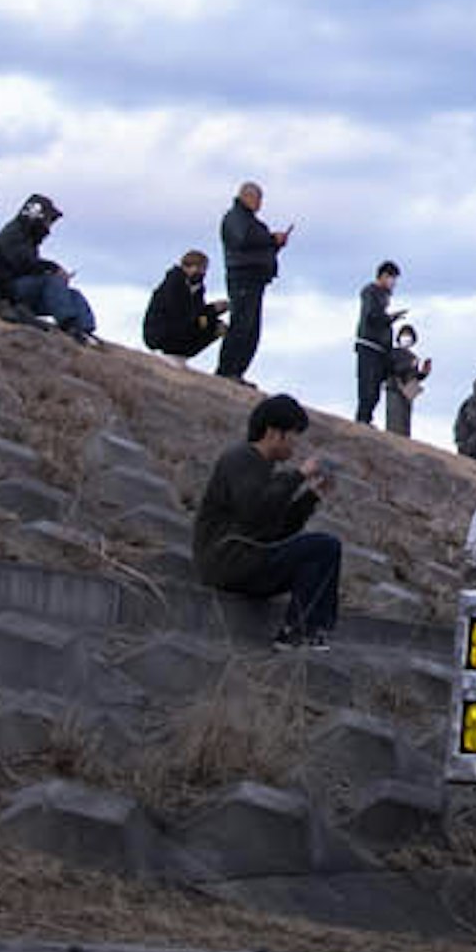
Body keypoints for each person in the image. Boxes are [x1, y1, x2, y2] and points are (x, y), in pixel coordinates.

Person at [193, 393, 343, 646]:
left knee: (320, 553)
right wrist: (298, 475)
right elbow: (253, 509)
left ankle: (307, 631)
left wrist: (311, 497)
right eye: (294, 435)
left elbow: (276, 530)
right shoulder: (240, 458)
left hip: (245, 559)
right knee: (323, 546)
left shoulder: (264, 469)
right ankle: (299, 631)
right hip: (226, 561)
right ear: (275, 432)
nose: (295, 445)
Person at [0, 192, 96, 339]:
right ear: (38, 216)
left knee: (73, 295)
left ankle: (84, 330)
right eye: (49, 220)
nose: (49, 226)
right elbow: (22, 263)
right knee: (52, 281)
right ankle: (68, 324)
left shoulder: (29, 238)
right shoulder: (13, 233)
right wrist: (52, 269)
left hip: (25, 289)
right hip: (8, 289)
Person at [217, 182, 290, 385]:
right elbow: (244, 240)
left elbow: (257, 247)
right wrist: (270, 239)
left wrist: (275, 244)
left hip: (255, 279)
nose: (260, 204)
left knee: (251, 328)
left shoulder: (250, 222)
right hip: (242, 278)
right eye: (258, 199)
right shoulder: (235, 218)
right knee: (241, 325)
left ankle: (237, 372)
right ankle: (226, 370)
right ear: (247, 197)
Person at [142, 250, 226, 362]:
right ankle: (173, 355)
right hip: (163, 336)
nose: (199, 271)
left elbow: (199, 317)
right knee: (208, 324)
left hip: (179, 331)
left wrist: (212, 315)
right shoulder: (174, 285)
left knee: (215, 326)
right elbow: (186, 317)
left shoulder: (196, 289)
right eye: (195, 267)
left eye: (202, 268)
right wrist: (212, 310)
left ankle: (182, 355)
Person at [351, 259, 397, 422]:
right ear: (384, 276)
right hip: (368, 345)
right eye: (392, 278)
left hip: (379, 348)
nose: (394, 283)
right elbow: (372, 316)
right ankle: (362, 420)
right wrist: (389, 318)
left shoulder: (382, 295)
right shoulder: (371, 291)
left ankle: (366, 419)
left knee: (375, 390)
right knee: (368, 388)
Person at [382, 319, 429, 439]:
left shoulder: (413, 357)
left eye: (409, 336)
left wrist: (423, 373)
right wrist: (408, 366)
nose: (407, 338)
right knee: (395, 420)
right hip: (394, 389)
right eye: (404, 335)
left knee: (405, 421)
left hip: (408, 392)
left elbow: (413, 377)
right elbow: (392, 370)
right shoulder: (393, 353)